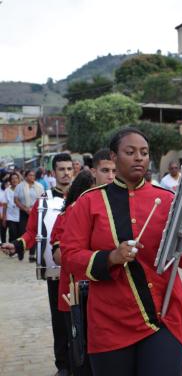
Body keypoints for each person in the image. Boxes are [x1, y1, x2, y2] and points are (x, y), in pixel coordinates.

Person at [61, 127, 182, 376]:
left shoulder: (169, 201)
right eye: (130, 152)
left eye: (144, 152)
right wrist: (110, 257)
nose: (139, 157)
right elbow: (69, 257)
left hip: (163, 317)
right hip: (109, 323)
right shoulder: (88, 202)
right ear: (114, 156)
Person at [1, 153, 74, 376]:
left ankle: (83, 364)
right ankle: (63, 365)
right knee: (60, 321)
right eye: (61, 169)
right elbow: (32, 232)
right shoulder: (44, 201)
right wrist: (18, 244)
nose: (66, 173)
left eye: (69, 169)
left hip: (81, 271)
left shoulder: (84, 197)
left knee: (82, 320)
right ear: (53, 173)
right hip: (54, 272)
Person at [51, 170, 95, 376]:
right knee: (79, 350)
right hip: (76, 293)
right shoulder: (68, 214)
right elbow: (59, 255)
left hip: (103, 294)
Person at [14, 169, 44, 262]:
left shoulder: (39, 186)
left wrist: (35, 209)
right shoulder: (20, 186)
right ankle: (20, 250)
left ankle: (32, 255)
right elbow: (16, 199)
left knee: (35, 232)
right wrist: (25, 209)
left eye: (33, 175)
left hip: (36, 212)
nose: (32, 177)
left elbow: (43, 199)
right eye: (30, 175)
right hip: (24, 211)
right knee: (23, 231)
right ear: (26, 176)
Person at [2, 172, 20, 243]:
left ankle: (19, 251)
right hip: (10, 217)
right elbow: (5, 205)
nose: (14, 180)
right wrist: (4, 219)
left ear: (18, 179)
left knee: (20, 234)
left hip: (20, 216)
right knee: (12, 234)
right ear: (10, 181)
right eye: (12, 179)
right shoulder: (7, 190)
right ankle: (11, 249)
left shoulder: (21, 189)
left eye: (16, 178)